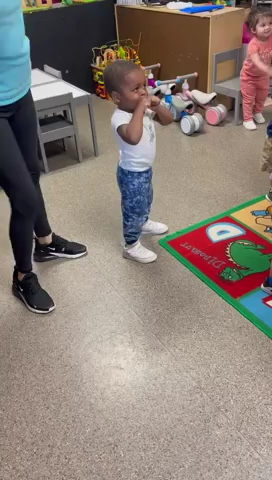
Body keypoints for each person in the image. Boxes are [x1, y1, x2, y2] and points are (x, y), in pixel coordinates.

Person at [0, 0, 87, 314]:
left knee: (33, 173)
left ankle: (46, 243)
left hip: (20, 91)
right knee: (22, 197)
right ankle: (22, 275)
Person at [103, 60, 173, 264]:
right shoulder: (120, 118)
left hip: (144, 170)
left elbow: (168, 120)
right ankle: (131, 245)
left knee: (146, 200)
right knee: (132, 209)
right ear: (117, 97)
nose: (143, 92)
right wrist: (141, 108)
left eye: (144, 85)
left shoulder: (140, 109)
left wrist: (158, 105)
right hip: (131, 174)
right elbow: (132, 137)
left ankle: (143, 222)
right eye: (136, 89)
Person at [240, 6, 272, 131]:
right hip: (249, 77)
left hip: (262, 77)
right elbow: (256, 61)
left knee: (262, 96)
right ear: (253, 29)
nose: (268, 27)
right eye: (263, 25)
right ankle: (247, 119)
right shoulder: (253, 44)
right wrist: (267, 69)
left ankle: (257, 112)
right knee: (248, 98)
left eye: (270, 23)